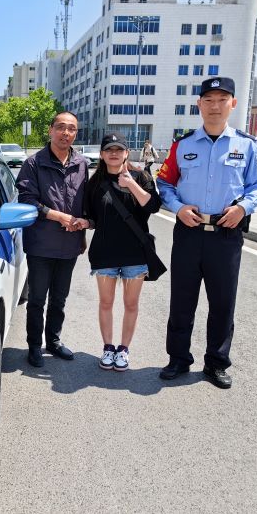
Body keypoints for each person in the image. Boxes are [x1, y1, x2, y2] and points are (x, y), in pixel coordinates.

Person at [156, 77, 257, 389]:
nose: (215, 106)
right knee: (182, 301)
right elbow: (164, 183)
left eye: (222, 100)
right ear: (199, 105)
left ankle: (216, 363)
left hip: (225, 235)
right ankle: (178, 359)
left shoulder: (246, 145)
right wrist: (177, 207)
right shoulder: (183, 145)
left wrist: (243, 208)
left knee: (222, 303)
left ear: (233, 104)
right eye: (208, 100)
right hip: (189, 233)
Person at [74, 132, 161, 371]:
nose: (114, 153)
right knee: (106, 302)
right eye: (109, 150)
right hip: (105, 253)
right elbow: (92, 217)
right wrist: (85, 223)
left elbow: (153, 206)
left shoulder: (141, 176)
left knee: (131, 304)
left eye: (119, 149)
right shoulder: (94, 183)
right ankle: (108, 348)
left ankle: (123, 349)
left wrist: (131, 184)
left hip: (135, 254)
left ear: (126, 153)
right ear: (102, 155)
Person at [16, 111, 90, 367]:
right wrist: (58, 216)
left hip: (69, 245)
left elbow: (85, 202)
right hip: (41, 245)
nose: (65, 133)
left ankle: (54, 341)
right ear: (50, 130)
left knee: (59, 298)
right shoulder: (33, 163)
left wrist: (83, 229)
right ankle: (34, 346)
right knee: (37, 299)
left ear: (76, 133)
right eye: (61, 127)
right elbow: (27, 201)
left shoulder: (81, 163)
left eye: (71, 129)